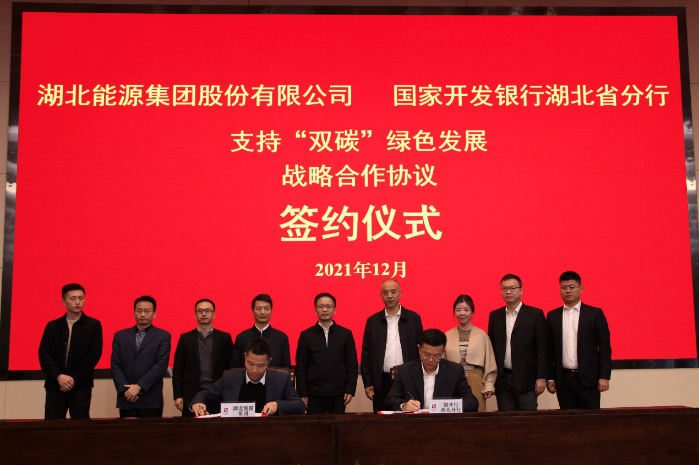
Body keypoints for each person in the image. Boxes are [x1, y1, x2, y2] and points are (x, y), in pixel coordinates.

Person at [546, 271, 612, 409]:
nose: (568, 291)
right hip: (563, 379)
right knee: (567, 419)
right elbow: (549, 350)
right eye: (564, 287)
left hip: (589, 378)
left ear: (580, 289)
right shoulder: (553, 316)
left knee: (590, 419)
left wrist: (604, 376)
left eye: (572, 287)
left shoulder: (594, 314)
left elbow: (605, 347)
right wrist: (550, 377)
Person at [191, 338, 305, 416]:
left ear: (269, 361)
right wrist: (197, 404)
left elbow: (299, 405)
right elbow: (204, 395)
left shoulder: (280, 379)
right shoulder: (230, 377)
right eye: (250, 363)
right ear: (245, 356)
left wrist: (277, 405)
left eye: (260, 365)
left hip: (268, 433)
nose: (254, 370)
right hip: (235, 432)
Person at [38, 283, 103, 420]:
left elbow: (94, 355)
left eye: (81, 298)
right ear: (63, 302)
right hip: (55, 385)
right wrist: (59, 376)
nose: (77, 302)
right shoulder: (53, 326)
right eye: (73, 298)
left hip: (81, 386)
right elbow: (44, 353)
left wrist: (73, 379)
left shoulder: (93, 325)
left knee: (80, 427)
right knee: (52, 426)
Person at [361, 279, 423, 412]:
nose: (389, 296)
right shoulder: (372, 321)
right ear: (381, 295)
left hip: (409, 379)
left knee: (408, 417)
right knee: (381, 418)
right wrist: (368, 382)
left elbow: (421, 350)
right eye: (386, 292)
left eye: (393, 292)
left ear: (400, 293)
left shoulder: (414, 319)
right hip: (381, 381)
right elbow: (366, 354)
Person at [488, 274, 548, 411]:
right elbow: (492, 348)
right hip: (503, 380)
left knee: (527, 420)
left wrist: (541, 378)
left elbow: (542, 348)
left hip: (527, 379)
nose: (508, 292)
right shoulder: (495, 316)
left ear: (521, 290)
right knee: (506, 421)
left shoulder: (535, 314)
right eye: (504, 288)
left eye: (512, 288)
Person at [385, 329, 479, 412]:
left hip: (443, 422)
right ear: (419, 349)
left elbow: (472, 402)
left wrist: (445, 406)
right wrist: (404, 406)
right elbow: (389, 401)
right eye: (426, 354)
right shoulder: (405, 371)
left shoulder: (455, 371)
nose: (430, 360)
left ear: (443, 352)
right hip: (414, 423)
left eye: (436, 356)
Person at [296, 292, 358, 414]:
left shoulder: (345, 334)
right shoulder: (306, 335)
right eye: (321, 306)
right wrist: (302, 392)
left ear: (334, 310)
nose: (325, 309)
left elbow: (352, 364)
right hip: (314, 393)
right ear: (315, 310)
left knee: (337, 425)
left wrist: (350, 389)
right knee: (315, 425)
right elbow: (301, 367)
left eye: (328, 306)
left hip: (339, 393)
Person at [111, 295, 171, 418]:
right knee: (126, 431)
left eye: (147, 311)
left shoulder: (163, 336)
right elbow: (115, 365)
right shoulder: (120, 336)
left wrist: (139, 387)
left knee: (151, 431)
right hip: (127, 398)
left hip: (151, 399)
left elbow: (160, 366)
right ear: (134, 313)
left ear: (154, 314)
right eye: (139, 311)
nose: (143, 314)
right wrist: (127, 391)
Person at [172, 298, 234, 416]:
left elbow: (230, 368)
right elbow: (178, 369)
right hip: (191, 393)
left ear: (214, 314)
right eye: (200, 311)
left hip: (217, 393)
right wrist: (178, 395)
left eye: (207, 311)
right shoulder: (185, 338)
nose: (204, 314)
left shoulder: (224, 338)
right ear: (195, 315)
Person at [444, 294, 497, 412]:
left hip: (476, 381)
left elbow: (490, 362)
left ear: (472, 312)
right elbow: (442, 362)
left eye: (466, 310)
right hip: (453, 382)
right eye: (458, 310)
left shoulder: (482, 335)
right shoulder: (447, 335)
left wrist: (489, 384)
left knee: (477, 416)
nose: (462, 313)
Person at [232, 294, 291, 368]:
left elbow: (286, 368)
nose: (263, 312)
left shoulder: (281, 338)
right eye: (259, 308)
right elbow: (235, 368)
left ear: (271, 310)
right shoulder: (242, 338)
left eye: (266, 308)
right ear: (252, 311)